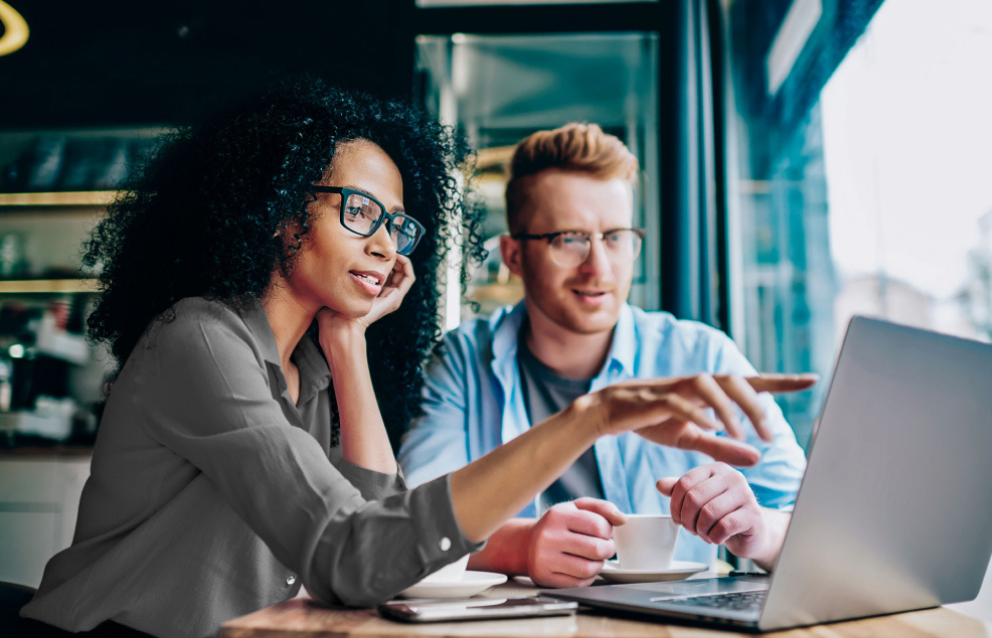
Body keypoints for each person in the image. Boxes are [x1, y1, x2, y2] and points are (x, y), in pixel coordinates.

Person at [16, 85, 810, 638]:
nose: (385, 243)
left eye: (397, 222)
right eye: (358, 211)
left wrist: (350, 341)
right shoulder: (202, 342)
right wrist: (588, 420)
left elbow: (383, 543)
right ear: (280, 213)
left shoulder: (313, 369)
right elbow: (355, 557)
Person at [399, 123, 814, 588]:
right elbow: (411, 525)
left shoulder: (701, 355)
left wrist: (757, 530)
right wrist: (522, 545)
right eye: (569, 239)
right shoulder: (462, 361)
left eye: (615, 237)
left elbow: (816, 526)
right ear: (514, 256)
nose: (599, 267)